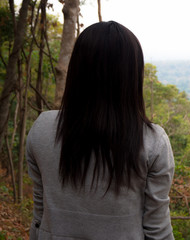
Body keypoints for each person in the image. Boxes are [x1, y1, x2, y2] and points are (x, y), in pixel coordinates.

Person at [26, 21, 175, 240]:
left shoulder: (42, 130)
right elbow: (157, 229)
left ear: (77, 70)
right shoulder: (153, 142)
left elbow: (40, 216)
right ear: (132, 75)